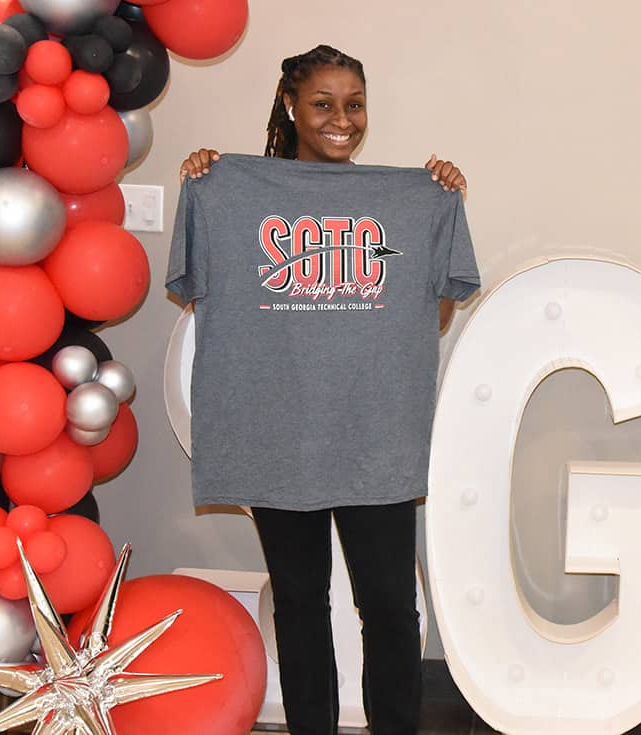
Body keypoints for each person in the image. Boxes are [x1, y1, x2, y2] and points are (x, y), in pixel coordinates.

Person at [174, 44, 476, 735]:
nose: (343, 118)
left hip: (375, 436)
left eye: (354, 103)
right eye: (323, 103)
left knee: (392, 607)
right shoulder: (229, 191)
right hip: (277, 435)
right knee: (302, 604)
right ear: (290, 107)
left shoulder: (412, 197)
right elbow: (198, 289)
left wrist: (439, 203)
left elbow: (431, 311)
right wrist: (204, 185)